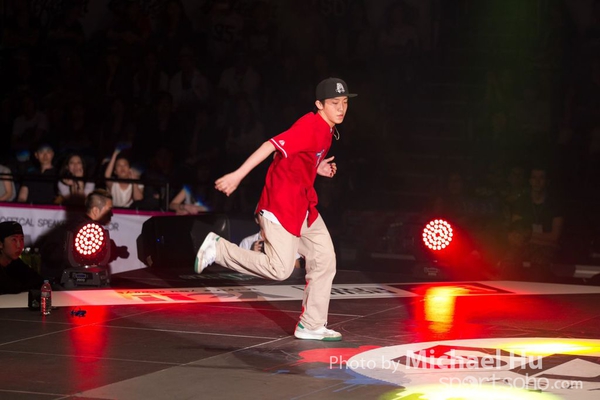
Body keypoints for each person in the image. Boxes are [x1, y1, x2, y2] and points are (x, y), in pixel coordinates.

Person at [195, 77, 357, 341]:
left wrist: (317, 167)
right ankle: (219, 249)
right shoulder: (310, 126)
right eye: (334, 103)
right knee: (280, 269)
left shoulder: (327, 129)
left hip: (302, 205)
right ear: (319, 104)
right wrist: (237, 175)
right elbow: (271, 146)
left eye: (344, 102)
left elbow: (291, 156)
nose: (341, 108)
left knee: (325, 258)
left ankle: (311, 324)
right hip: (280, 205)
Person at [38, 189, 126, 284]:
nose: (111, 214)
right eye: (109, 209)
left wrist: (118, 250)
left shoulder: (79, 226)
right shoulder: (84, 231)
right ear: (95, 210)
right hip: (66, 282)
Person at [0, 221, 44, 294]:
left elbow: (38, 281)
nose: (19, 245)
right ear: (0, 244)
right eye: (14, 240)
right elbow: (11, 289)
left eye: (21, 239)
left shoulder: (15, 263)